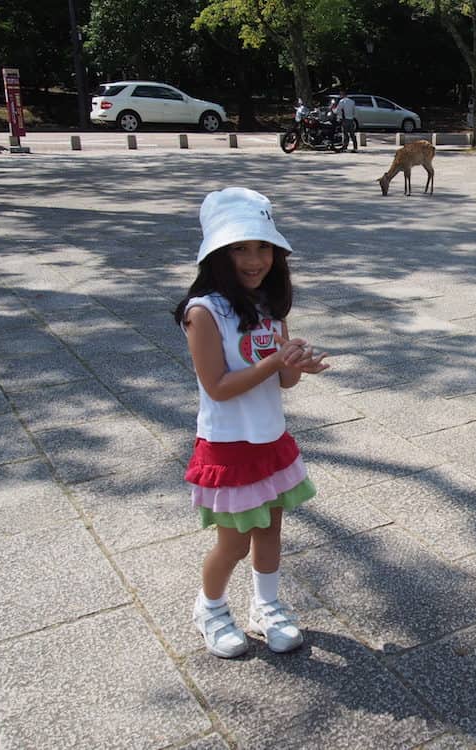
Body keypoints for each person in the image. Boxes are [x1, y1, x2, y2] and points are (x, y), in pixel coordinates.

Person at [174, 187, 330, 658]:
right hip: (228, 445)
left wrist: (297, 362)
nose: (254, 258)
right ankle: (211, 607)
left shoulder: (267, 307)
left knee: (270, 532)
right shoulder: (203, 312)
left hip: (268, 440)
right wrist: (272, 363)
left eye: (262, 246)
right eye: (239, 247)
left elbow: (283, 383)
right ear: (217, 253)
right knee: (234, 543)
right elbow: (218, 386)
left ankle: (267, 606)